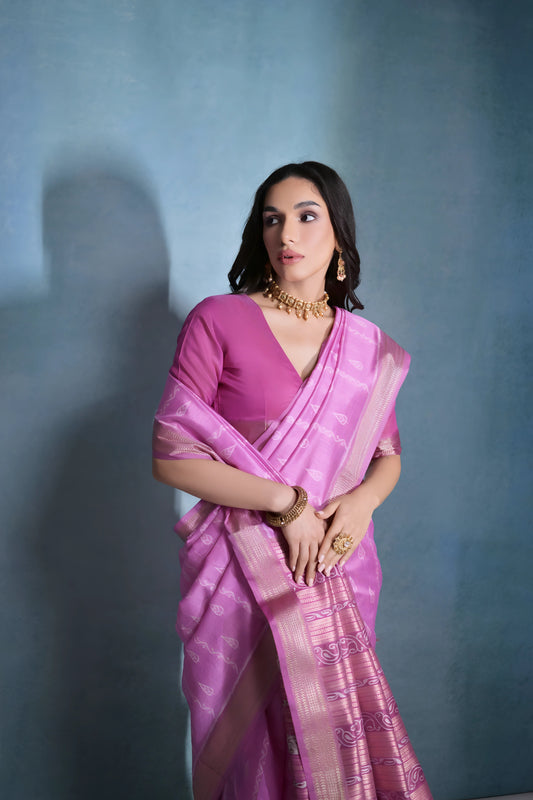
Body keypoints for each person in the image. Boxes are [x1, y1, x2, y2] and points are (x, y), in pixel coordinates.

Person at [152, 162, 432, 799]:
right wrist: (287, 504)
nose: (287, 233)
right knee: (248, 732)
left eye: (307, 215)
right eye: (272, 218)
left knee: (327, 724)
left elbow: (388, 454)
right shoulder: (218, 320)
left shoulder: (369, 349)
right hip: (240, 564)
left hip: (333, 559)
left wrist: (361, 504)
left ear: (338, 235)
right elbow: (171, 455)